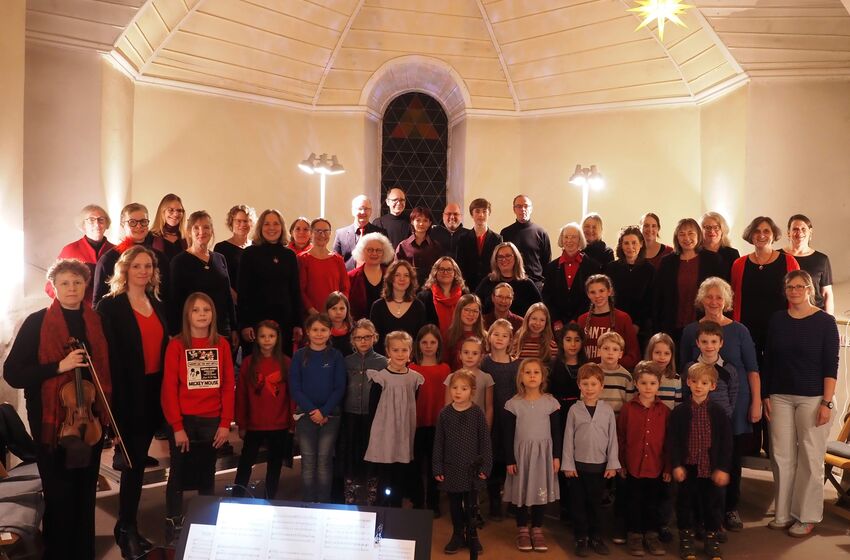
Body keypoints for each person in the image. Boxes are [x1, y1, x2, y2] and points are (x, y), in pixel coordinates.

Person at [5, 259, 112, 560]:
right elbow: (13, 373)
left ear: (85, 286)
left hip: (89, 419)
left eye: (77, 282)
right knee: (59, 494)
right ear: (53, 287)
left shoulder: (95, 321)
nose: (72, 288)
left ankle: (84, 553)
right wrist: (58, 367)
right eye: (64, 282)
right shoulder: (37, 322)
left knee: (85, 493)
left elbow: (105, 369)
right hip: (52, 424)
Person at [96, 246, 167, 558]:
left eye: (147, 266)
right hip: (127, 394)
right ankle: (126, 527)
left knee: (138, 462)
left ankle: (127, 525)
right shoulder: (109, 306)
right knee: (133, 462)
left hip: (154, 391)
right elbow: (105, 357)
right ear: (124, 270)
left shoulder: (158, 303)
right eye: (136, 266)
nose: (143, 271)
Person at [679, 277, 759, 532]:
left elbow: (752, 369)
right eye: (709, 297)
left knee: (729, 457)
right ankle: (702, 513)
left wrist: (756, 401)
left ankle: (730, 509)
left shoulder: (740, 330)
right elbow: (684, 369)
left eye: (719, 297)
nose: (713, 301)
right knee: (701, 457)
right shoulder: (691, 331)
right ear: (701, 301)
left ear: (727, 302)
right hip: (700, 404)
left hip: (733, 404)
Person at [763, 270, 839, 538]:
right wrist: (766, 395)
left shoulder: (825, 322)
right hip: (780, 396)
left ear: (810, 290)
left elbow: (832, 365)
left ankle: (806, 516)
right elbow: (769, 361)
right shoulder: (777, 320)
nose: (794, 291)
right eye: (789, 287)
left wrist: (827, 403)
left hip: (814, 398)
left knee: (810, 458)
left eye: (799, 286)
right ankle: (783, 513)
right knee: (782, 457)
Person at [160, 292, 234, 544]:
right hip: (184, 421)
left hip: (212, 420)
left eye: (207, 309)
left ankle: (204, 524)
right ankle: (174, 525)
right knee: (178, 475)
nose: (202, 314)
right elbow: (168, 388)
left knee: (207, 474)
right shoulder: (177, 345)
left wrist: (225, 424)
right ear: (187, 315)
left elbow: (227, 386)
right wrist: (177, 426)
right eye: (196, 310)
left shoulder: (222, 345)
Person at [667, 362, 732, 560]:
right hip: (688, 467)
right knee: (685, 503)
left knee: (712, 504)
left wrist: (722, 468)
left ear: (712, 386)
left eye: (704, 383)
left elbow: (727, 443)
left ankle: (711, 538)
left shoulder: (719, 413)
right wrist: (676, 464)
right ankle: (686, 539)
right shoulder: (679, 412)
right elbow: (673, 441)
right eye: (694, 381)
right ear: (687, 382)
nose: (698, 386)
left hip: (710, 468)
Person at [504, 358, 562, 552]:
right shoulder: (513, 404)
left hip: (543, 456)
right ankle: (522, 528)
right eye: (527, 372)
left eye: (536, 372)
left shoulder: (551, 403)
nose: (531, 376)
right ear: (520, 377)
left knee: (540, 491)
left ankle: (537, 528)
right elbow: (508, 434)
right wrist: (510, 459)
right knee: (521, 491)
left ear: (542, 377)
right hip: (521, 456)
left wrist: (556, 456)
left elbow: (556, 432)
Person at [562, 363, 620, 557]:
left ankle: (596, 537)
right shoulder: (574, 410)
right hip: (577, 468)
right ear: (579, 385)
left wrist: (612, 463)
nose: (589, 388)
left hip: (600, 468)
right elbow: (568, 439)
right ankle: (581, 538)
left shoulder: (607, 411)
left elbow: (613, 439)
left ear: (601, 386)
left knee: (596, 505)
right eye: (585, 383)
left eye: (594, 384)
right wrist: (568, 465)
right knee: (578, 505)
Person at [233, 320, 294, 500]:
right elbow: (242, 395)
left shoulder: (286, 362)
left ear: (277, 338)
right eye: (263, 336)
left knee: (274, 464)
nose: (267, 340)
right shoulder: (247, 363)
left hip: (279, 424)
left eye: (271, 336)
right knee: (246, 463)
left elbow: (292, 396)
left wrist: (291, 422)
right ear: (256, 339)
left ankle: (270, 497)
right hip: (254, 424)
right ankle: (237, 496)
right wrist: (242, 423)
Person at [433, 370, 492, 555]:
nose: (458, 392)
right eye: (455, 388)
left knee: (472, 506)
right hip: (451, 469)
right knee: (455, 505)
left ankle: (472, 535)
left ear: (472, 391)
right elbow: (438, 443)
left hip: (472, 470)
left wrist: (486, 466)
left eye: (463, 388)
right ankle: (457, 534)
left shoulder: (477, 413)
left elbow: (485, 442)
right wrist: (437, 466)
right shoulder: (445, 414)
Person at [289, 313, 346, 503]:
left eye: (323, 330)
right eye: (315, 330)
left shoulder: (336, 356)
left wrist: (324, 411)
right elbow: (295, 388)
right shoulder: (299, 356)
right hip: (305, 416)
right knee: (308, 462)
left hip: (331, 416)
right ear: (307, 332)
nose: (319, 334)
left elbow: (339, 387)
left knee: (324, 461)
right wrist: (313, 411)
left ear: (330, 332)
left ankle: (323, 504)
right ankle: (308, 503)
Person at [365, 330, 425, 507]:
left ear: (410, 352)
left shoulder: (414, 379)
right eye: (396, 350)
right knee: (385, 475)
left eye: (404, 350)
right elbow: (373, 409)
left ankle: (397, 508)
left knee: (400, 473)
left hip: (404, 434)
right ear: (388, 352)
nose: (400, 354)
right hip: (385, 434)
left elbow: (412, 403)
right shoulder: (380, 378)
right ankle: (383, 510)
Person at [617, 361, 670, 557]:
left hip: (656, 467)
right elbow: (621, 437)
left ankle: (651, 535)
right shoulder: (628, 409)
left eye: (652, 383)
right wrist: (621, 463)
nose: (648, 387)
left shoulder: (664, 411)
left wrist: (668, 467)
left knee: (653, 503)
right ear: (636, 384)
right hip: (633, 466)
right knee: (634, 502)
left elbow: (668, 443)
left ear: (659, 385)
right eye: (644, 383)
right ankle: (635, 535)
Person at [237, 209, 303, 355]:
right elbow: (243, 292)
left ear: (282, 227)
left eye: (276, 224)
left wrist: (298, 323)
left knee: (282, 368)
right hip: (255, 323)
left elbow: (295, 291)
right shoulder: (249, 254)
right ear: (260, 227)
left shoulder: (289, 255)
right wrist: (245, 324)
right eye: (267, 224)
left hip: (284, 322)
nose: (271, 228)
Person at [652, 218, 725, 343]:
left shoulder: (713, 260)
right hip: (671, 326)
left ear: (698, 235)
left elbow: (722, 294)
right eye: (682, 234)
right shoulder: (667, 262)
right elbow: (658, 296)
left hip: (704, 326)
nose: (687, 238)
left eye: (691, 233)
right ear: (677, 238)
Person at [169, 210, 237, 343]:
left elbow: (227, 296)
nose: (202, 232)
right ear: (189, 231)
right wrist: (175, 332)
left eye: (206, 227)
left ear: (211, 230)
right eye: (196, 228)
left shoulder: (220, 258)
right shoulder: (179, 261)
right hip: (193, 332)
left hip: (222, 330)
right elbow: (174, 301)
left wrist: (234, 328)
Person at [339, 319, 387, 505]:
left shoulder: (382, 362)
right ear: (353, 340)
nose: (363, 341)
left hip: (372, 416)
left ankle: (372, 491)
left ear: (374, 338)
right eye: (359, 338)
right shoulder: (346, 362)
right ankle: (350, 491)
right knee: (351, 451)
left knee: (371, 452)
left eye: (367, 337)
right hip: (350, 414)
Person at [409, 324, 452, 515]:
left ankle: (434, 503)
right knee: (416, 465)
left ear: (438, 344)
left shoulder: (445, 369)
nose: (428, 346)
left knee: (436, 465)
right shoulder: (411, 368)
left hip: (438, 423)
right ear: (418, 345)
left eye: (432, 342)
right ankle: (418, 500)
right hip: (416, 424)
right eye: (424, 342)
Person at [480, 319, 519, 521]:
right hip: (490, 417)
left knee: (510, 459)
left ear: (510, 340)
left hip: (511, 420)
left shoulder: (516, 364)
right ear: (489, 336)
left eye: (505, 335)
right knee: (493, 459)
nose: (500, 339)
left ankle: (513, 501)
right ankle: (494, 501)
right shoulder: (484, 362)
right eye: (496, 334)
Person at [93, 203, 169, 306]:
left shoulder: (160, 257)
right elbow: (98, 302)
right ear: (122, 225)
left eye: (143, 222)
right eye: (132, 222)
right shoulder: (109, 259)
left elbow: (167, 296)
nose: (139, 226)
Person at [549, 323, 587, 522]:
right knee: (563, 458)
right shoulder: (555, 364)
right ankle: (564, 504)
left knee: (579, 457)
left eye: (577, 340)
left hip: (581, 414)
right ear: (561, 342)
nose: (572, 344)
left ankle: (578, 504)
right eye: (568, 339)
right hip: (560, 414)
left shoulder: (586, 365)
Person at [45, 204, 114, 306]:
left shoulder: (116, 251)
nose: (97, 224)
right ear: (83, 225)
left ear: (106, 224)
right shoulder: (70, 250)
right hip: (79, 310)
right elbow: (50, 286)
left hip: (110, 309)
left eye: (101, 219)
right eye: (91, 220)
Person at [543, 222, 602, 330]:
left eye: (574, 237)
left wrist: (577, 320)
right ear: (562, 239)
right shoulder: (551, 267)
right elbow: (547, 296)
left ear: (580, 240)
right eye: (566, 237)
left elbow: (591, 297)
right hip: (557, 326)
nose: (569, 241)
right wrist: (556, 320)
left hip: (584, 323)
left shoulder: (592, 266)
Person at [604, 226, 655, 348]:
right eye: (626, 243)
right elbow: (607, 298)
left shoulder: (650, 270)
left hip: (641, 328)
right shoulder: (610, 268)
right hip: (614, 324)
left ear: (641, 244)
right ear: (621, 245)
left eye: (634, 243)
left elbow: (650, 301)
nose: (630, 247)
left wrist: (637, 324)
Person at [577, 274, 640, 371]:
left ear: (609, 291)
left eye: (601, 291)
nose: (597, 296)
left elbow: (633, 355)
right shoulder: (582, 320)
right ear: (588, 294)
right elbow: (578, 353)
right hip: (589, 376)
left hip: (616, 374)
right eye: (593, 292)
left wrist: (611, 365)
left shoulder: (623, 318)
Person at [369, 260, 426, 351]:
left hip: (411, 361)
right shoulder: (378, 306)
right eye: (397, 275)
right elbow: (374, 340)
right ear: (391, 278)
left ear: (411, 280)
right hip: (384, 362)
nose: (402, 279)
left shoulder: (418, 306)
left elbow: (420, 339)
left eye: (406, 275)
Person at [782, 214, 834, 314]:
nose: (799, 232)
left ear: (810, 232)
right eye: (795, 229)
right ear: (789, 233)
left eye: (803, 229)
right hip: (785, 315)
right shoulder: (778, 256)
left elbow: (827, 294)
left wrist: (830, 321)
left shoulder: (821, 259)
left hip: (815, 315)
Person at [475, 241, 542, 317]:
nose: (504, 259)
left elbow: (539, 310)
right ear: (495, 260)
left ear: (516, 258)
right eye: (500, 256)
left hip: (519, 327)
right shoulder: (488, 281)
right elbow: (475, 305)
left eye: (508, 256)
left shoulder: (527, 284)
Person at [299, 218, 350, 315]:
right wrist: (311, 310)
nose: (322, 234)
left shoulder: (338, 260)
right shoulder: (302, 259)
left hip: (335, 316)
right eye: (318, 231)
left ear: (330, 233)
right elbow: (300, 290)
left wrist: (338, 309)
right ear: (311, 233)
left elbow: (345, 288)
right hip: (311, 317)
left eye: (326, 231)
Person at [499, 195, 551, 290]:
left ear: (531, 209)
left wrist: (545, 284)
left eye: (526, 206)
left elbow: (547, 262)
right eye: (519, 206)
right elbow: (501, 260)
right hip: (511, 285)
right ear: (514, 209)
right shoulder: (505, 233)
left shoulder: (541, 233)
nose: (523, 209)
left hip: (536, 285)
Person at [443, 337, 495, 428]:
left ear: (481, 356)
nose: (470, 356)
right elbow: (448, 406)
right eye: (466, 352)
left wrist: (486, 430)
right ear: (460, 355)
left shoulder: (486, 378)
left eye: (474, 353)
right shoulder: (451, 377)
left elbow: (489, 408)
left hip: (478, 425)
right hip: (456, 425)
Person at [456, 198, 502, 291]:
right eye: (477, 211)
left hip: (490, 285)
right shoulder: (463, 238)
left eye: (484, 211)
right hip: (468, 286)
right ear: (471, 214)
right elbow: (459, 264)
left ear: (489, 214)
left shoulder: (497, 239)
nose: (481, 215)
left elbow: (498, 265)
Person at [417, 256, 468, 341]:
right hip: (432, 345)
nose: (445, 272)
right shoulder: (424, 297)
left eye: (449, 269)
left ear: (455, 273)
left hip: (460, 345)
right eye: (441, 269)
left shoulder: (464, 296)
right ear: (435, 272)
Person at [214, 204, 255, 303]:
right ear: (231, 223)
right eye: (238, 221)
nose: (242, 224)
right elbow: (221, 279)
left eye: (246, 221)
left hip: (255, 304)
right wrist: (238, 300)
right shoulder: (221, 248)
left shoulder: (257, 247)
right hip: (232, 304)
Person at [333, 195, 385, 271]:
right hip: (348, 279)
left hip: (373, 279)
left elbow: (385, 261)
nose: (363, 212)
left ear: (371, 211)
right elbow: (335, 261)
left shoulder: (380, 233)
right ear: (353, 211)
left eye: (366, 209)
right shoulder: (341, 234)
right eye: (360, 208)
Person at [348, 232, 393, 320]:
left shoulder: (391, 276)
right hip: (359, 328)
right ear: (362, 251)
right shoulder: (351, 277)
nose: (374, 253)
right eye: (370, 250)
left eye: (378, 250)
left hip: (386, 327)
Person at [395, 206, 443, 288]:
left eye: (425, 220)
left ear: (430, 223)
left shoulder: (435, 246)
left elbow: (439, 271)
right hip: (407, 287)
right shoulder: (403, 246)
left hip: (430, 289)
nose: (421, 224)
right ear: (412, 222)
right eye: (418, 220)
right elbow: (395, 269)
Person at [444, 294, 487, 370]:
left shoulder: (485, 336)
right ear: (459, 311)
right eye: (467, 310)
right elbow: (446, 364)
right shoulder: (449, 335)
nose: (471, 314)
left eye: (475, 311)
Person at [597, 331, 635, 414]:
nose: (610, 353)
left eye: (615, 349)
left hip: (618, 421)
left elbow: (629, 404)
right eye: (606, 348)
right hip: (596, 422)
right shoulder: (592, 372)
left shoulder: (626, 377)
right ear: (599, 351)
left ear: (620, 354)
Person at [149, 193, 188, 263]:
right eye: (171, 210)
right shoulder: (150, 237)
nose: (176, 214)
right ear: (162, 211)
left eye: (179, 210)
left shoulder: (187, 238)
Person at [646, 332, 681, 410]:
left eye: (666, 353)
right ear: (650, 353)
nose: (662, 357)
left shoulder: (676, 378)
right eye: (657, 352)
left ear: (672, 356)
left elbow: (677, 405)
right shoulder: (642, 376)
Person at [701, 212, 740, 277]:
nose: (712, 231)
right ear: (701, 230)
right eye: (707, 227)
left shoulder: (732, 254)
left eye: (716, 227)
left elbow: (736, 280)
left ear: (722, 230)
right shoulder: (695, 253)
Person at [325, 291, 354, 355]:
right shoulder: (321, 330)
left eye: (342, 308)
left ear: (347, 309)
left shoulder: (355, 329)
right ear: (327, 310)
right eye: (334, 308)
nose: (338, 312)